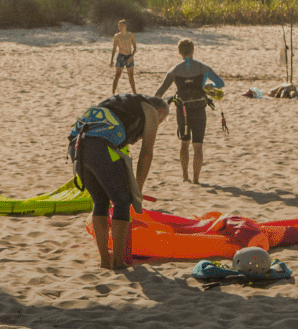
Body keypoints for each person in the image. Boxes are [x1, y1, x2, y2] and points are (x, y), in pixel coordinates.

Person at [67, 93, 168, 269]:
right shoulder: (150, 110)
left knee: (100, 201)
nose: (159, 124)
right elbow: (147, 153)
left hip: (76, 146)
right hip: (98, 146)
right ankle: (118, 262)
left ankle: (105, 260)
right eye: (162, 120)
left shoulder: (121, 104)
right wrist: (137, 189)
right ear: (160, 111)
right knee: (122, 201)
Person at [153, 39, 225, 184]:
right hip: (199, 109)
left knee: (184, 143)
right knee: (198, 145)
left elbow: (159, 93)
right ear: (193, 50)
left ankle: (185, 177)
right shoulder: (202, 67)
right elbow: (220, 83)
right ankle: (196, 179)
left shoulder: (174, 69)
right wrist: (207, 87)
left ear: (179, 52)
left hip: (183, 110)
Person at [110, 20, 138, 94]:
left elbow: (135, 47)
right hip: (121, 56)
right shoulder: (117, 36)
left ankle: (134, 93)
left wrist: (131, 57)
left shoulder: (131, 35)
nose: (120, 27)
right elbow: (114, 48)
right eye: (119, 26)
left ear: (125, 26)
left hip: (129, 55)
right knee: (117, 75)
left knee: (131, 76)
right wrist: (111, 60)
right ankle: (113, 92)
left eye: (122, 26)